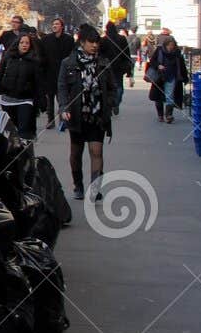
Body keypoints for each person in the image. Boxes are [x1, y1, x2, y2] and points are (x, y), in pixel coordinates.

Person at [57, 24, 122, 201]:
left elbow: (112, 87)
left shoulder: (103, 62)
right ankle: (78, 185)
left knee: (96, 151)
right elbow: (62, 87)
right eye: (91, 42)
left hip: (97, 114)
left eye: (97, 43)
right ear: (82, 43)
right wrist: (64, 107)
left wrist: (109, 103)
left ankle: (95, 188)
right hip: (77, 114)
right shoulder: (69, 63)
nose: (95, 45)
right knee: (76, 153)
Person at [0, 31, 47, 140]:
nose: (24, 45)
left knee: (23, 129)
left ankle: (25, 149)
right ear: (17, 44)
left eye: (27, 43)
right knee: (11, 131)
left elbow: (39, 83)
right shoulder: (8, 58)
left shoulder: (34, 61)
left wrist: (42, 102)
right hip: (7, 99)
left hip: (25, 99)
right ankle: (13, 152)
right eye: (22, 43)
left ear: (30, 45)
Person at [37, 17, 76, 127]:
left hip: (63, 73)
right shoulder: (46, 40)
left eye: (57, 24)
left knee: (62, 97)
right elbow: (41, 55)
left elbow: (72, 55)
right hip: (49, 73)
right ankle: (50, 120)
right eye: (53, 24)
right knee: (50, 98)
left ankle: (63, 120)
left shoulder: (69, 40)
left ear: (62, 26)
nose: (54, 26)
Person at [146, 35, 189, 123]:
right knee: (158, 97)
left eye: (172, 45)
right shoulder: (159, 50)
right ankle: (160, 115)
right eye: (169, 45)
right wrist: (158, 65)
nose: (170, 47)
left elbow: (182, 66)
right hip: (159, 77)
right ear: (165, 45)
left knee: (169, 96)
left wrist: (185, 77)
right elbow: (152, 61)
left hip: (171, 76)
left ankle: (169, 115)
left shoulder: (177, 53)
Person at [101, 19, 134, 110]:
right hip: (119, 67)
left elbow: (100, 55)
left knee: (108, 86)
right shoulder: (122, 39)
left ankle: (111, 103)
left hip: (106, 67)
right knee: (119, 86)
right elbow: (126, 53)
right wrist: (129, 68)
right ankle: (116, 102)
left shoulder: (103, 40)